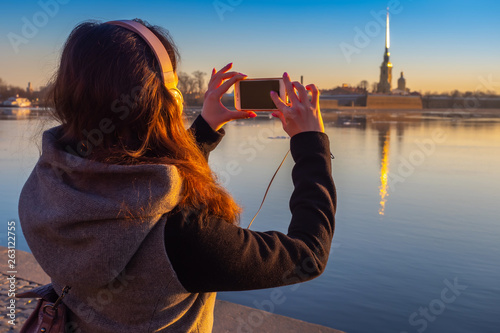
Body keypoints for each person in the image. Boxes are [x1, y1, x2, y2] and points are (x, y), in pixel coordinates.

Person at [19, 19, 336, 333]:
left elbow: (142, 179)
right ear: (168, 101)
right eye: (175, 85)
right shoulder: (183, 238)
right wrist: (311, 145)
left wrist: (205, 129)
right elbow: (307, 253)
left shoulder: (45, 186)